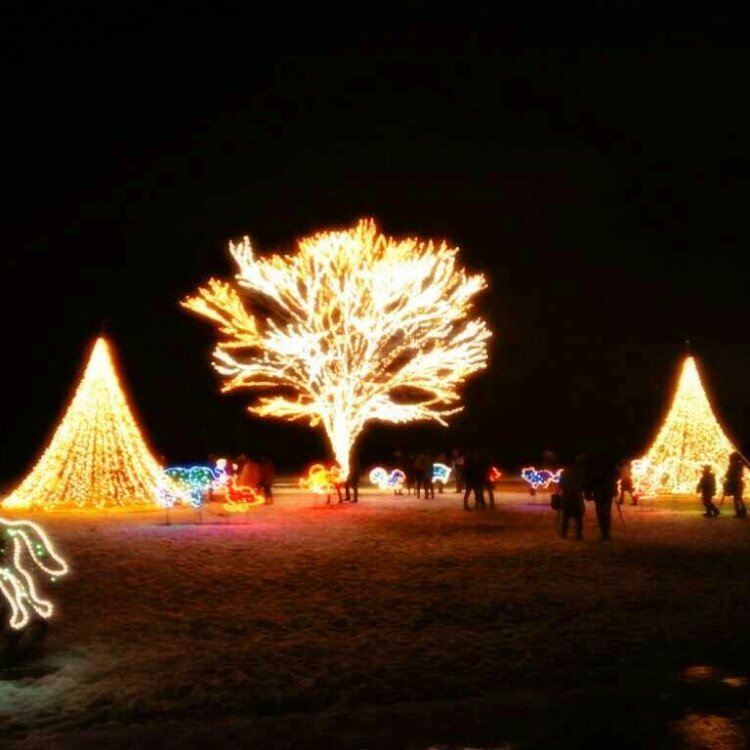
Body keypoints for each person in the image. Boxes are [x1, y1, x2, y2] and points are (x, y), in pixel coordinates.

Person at [585, 454, 617, 540]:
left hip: (600, 493)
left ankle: (604, 532)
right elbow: (613, 480)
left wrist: (588, 492)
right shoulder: (608, 469)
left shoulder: (595, 468)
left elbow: (589, 481)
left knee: (601, 512)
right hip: (604, 492)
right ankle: (605, 532)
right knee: (605, 512)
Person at [558, 454, 586, 539]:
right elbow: (583, 483)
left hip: (567, 496)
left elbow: (561, 484)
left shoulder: (564, 472)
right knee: (578, 516)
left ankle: (564, 533)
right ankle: (579, 534)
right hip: (577, 495)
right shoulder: (579, 472)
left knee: (565, 516)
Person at [722, 451, 748, 519]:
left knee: (737, 498)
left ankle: (740, 512)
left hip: (736, 484)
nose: (729, 460)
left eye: (731, 459)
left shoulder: (735, 466)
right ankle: (741, 512)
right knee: (738, 498)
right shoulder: (738, 465)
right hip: (737, 483)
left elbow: (729, 475)